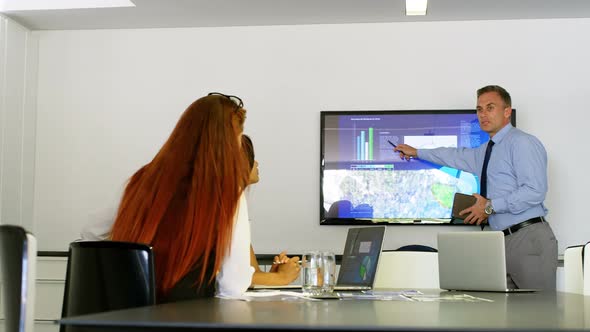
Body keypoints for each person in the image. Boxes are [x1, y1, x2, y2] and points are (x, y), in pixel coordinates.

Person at [394, 85, 557, 290]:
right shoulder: (485, 151)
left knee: (539, 315)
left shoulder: (523, 143)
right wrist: (416, 152)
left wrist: (489, 207)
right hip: (501, 241)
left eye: (490, 107)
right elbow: (453, 155)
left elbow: (535, 191)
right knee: (506, 317)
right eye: (479, 109)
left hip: (528, 239)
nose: (483, 114)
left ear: (507, 111)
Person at [109, 93, 254, 302]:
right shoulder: (228, 192)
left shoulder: (141, 180)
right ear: (230, 142)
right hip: (189, 319)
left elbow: (92, 231)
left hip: (129, 315)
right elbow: (232, 286)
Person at [241, 134, 301, 286]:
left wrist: (274, 275)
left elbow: (252, 276)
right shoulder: (216, 214)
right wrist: (280, 278)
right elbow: (222, 279)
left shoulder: (238, 212)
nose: (256, 163)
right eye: (251, 158)